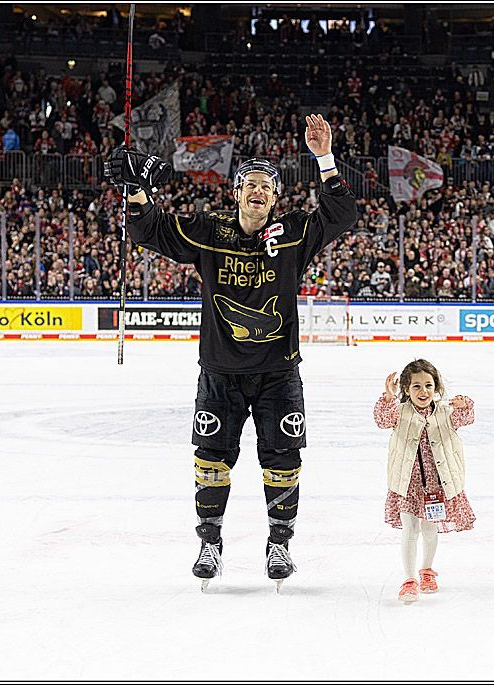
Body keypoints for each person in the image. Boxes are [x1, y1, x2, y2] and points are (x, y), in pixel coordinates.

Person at [104, 114, 357, 591]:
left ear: (276, 197)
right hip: (220, 374)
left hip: (279, 374)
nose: (258, 192)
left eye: (266, 186)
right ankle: (210, 544)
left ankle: (280, 544)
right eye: (250, 185)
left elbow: (342, 214)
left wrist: (323, 157)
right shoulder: (207, 232)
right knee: (211, 460)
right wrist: (135, 191)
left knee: (282, 460)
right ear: (236, 193)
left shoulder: (296, 234)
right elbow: (149, 231)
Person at [374, 359, 476, 604]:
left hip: (436, 484)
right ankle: (409, 579)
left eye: (428, 385)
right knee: (410, 529)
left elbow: (467, 418)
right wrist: (387, 398)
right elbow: (382, 420)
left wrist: (465, 404)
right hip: (407, 482)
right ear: (406, 390)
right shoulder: (399, 412)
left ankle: (427, 570)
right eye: (416, 386)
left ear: (436, 387)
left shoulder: (446, 411)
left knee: (430, 529)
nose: (423, 391)